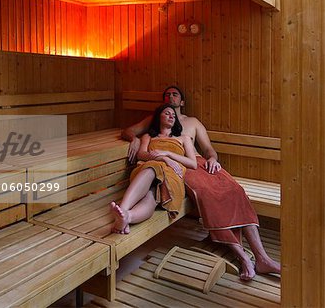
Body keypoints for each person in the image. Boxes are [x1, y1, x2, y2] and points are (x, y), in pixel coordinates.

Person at [122, 86, 281, 281]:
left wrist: (213, 159)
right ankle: (242, 256)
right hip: (182, 167)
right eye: (166, 95)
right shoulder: (155, 119)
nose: (170, 97)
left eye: (175, 94)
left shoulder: (193, 122)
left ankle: (262, 257)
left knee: (236, 190)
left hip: (200, 163)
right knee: (211, 196)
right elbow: (130, 131)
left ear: (182, 102)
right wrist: (135, 140)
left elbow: (208, 149)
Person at [110, 103, 197, 236]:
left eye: (173, 115)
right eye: (167, 113)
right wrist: (162, 159)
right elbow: (141, 154)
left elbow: (192, 163)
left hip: (172, 174)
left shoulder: (183, 139)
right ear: (158, 117)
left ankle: (124, 214)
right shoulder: (148, 137)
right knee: (152, 169)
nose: (171, 116)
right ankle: (126, 216)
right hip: (146, 171)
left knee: (153, 194)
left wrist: (168, 154)